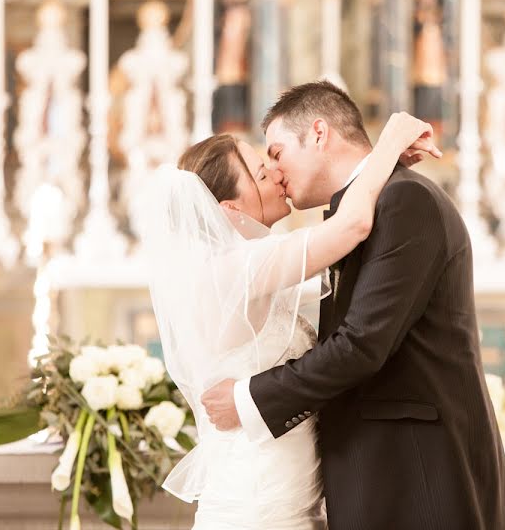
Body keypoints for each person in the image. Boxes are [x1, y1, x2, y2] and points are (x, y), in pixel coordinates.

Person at [201, 81, 505, 530]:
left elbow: (362, 344)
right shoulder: (363, 209)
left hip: (418, 478)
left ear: (319, 133)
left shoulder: (403, 199)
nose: (272, 170)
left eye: (276, 151)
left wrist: (249, 399)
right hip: (378, 475)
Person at [135, 101, 439, 530]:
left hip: (291, 496)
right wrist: (387, 144)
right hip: (256, 504)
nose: (277, 174)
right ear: (230, 210)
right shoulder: (233, 270)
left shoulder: (252, 269)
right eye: (261, 173)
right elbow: (351, 227)